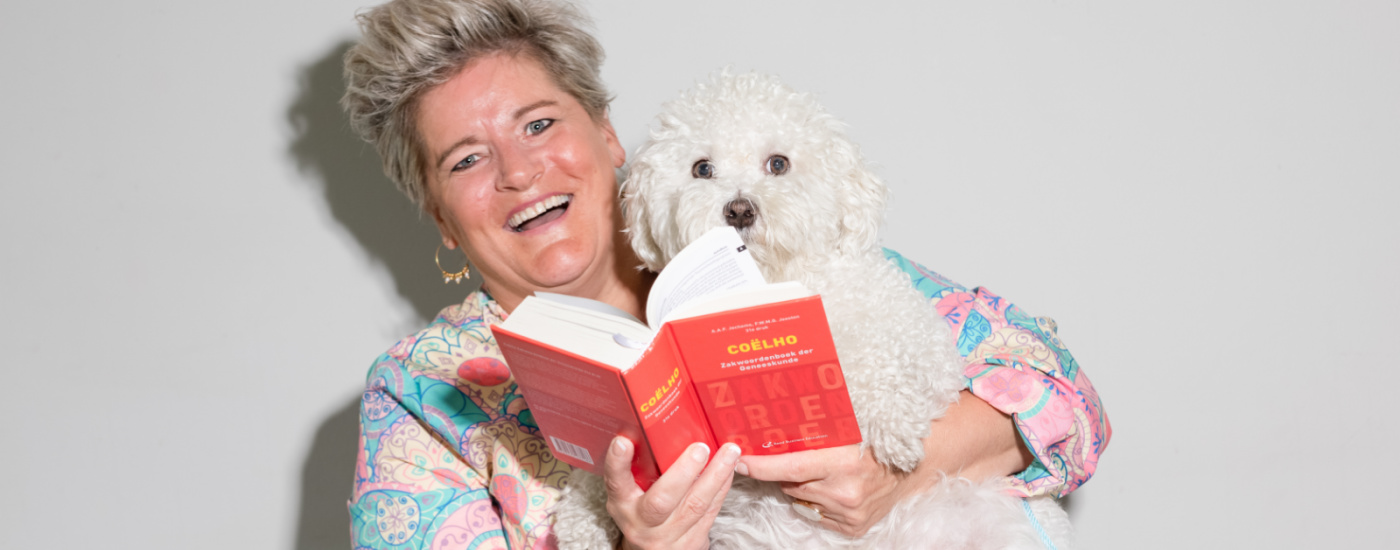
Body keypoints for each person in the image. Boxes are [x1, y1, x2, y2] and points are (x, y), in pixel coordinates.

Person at [341, 0, 1110, 548]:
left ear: (609, 138)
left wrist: (897, 469)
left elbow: (1065, 395)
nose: (518, 171)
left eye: (538, 123)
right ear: (441, 219)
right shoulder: (422, 401)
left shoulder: (788, 259)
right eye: (467, 159)